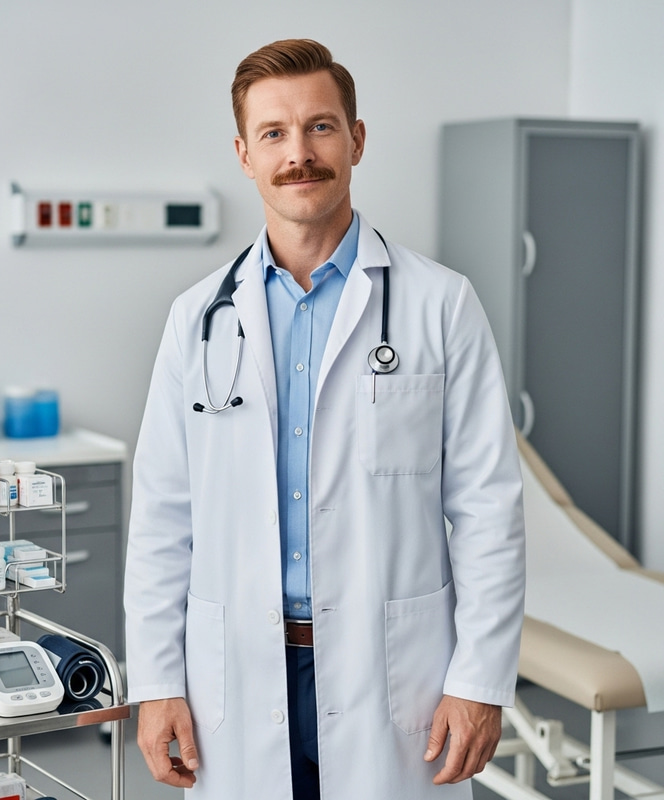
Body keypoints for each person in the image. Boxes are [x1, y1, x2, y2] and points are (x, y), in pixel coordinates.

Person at [124, 38, 525, 800]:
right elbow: (162, 520)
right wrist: (157, 681)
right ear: (244, 155)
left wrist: (479, 681)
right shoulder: (197, 320)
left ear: (357, 139)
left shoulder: (440, 305)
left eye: (320, 127)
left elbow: (488, 510)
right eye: (273, 133)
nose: (298, 154)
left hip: (394, 677)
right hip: (236, 675)